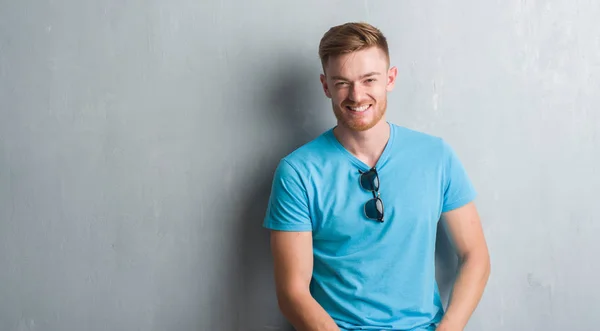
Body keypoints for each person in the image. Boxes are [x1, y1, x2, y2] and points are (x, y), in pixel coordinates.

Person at [263, 22, 490, 331]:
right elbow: (292, 292)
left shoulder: (435, 156)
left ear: (390, 79)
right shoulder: (297, 172)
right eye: (342, 82)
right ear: (326, 86)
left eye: (369, 79)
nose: (357, 96)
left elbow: (475, 255)